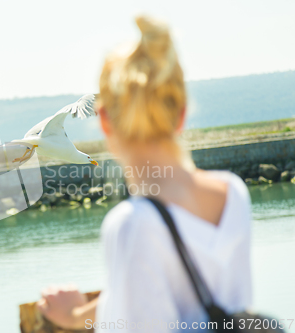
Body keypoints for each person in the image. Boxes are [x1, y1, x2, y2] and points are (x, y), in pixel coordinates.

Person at [37, 16, 252, 332]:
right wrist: (76, 315)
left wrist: (72, 318)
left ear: (106, 121)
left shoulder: (131, 224)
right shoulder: (232, 192)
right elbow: (184, 296)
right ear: (180, 115)